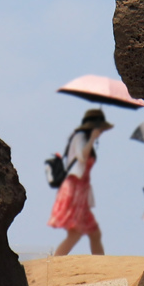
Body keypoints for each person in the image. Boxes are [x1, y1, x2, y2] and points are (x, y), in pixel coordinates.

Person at [48, 109, 113, 256]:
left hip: (81, 190)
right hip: (74, 189)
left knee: (94, 233)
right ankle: (54, 265)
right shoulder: (80, 137)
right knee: (75, 233)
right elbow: (82, 157)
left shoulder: (85, 139)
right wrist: (92, 140)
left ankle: (102, 266)